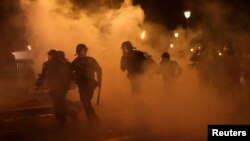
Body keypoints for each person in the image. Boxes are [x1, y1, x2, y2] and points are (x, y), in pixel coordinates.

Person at [36, 49, 77, 126]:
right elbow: (44, 75)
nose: (51, 58)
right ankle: (70, 113)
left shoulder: (63, 64)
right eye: (51, 56)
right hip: (56, 87)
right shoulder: (50, 64)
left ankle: (67, 116)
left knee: (58, 105)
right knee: (59, 104)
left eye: (52, 56)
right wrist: (39, 84)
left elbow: (69, 75)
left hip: (61, 87)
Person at [71, 44, 102, 127]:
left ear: (85, 51)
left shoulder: (91, 60)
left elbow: (98, 69)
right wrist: (74, 78)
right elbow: (70, 73)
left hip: (90, 85)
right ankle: (92, 120)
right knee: (85, 103)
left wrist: (99, 80)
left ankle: (93, 120)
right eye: (80, 50)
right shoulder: (75, 62)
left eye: (83, 50)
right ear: (78, 52)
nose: (82, 52)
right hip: (81, 86)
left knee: (86, 102)